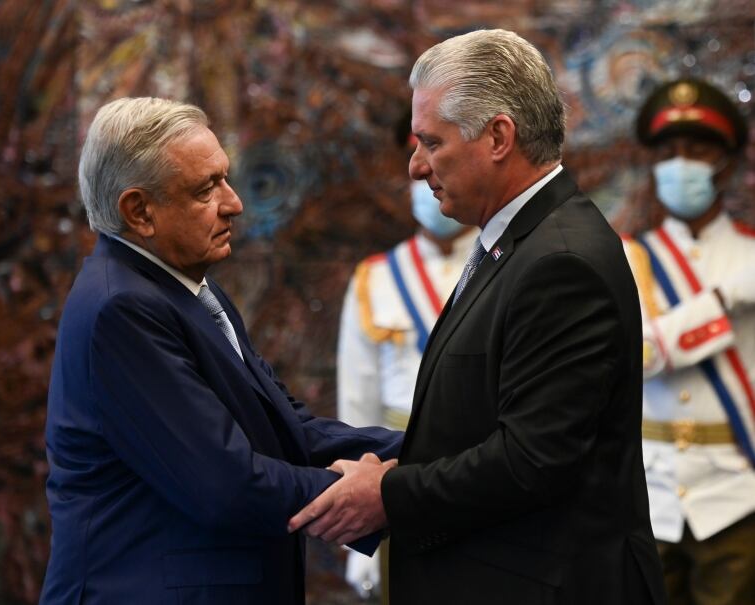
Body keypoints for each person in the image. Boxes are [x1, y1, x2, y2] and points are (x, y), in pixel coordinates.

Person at [289, 29, 667, 605]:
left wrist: (389, 493)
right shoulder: (521, 238)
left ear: (497, 136)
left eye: (431, 143)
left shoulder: (560, 260)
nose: (416, 167)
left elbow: (532, 459)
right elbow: (476, 423)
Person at [40, 97, 402, 605]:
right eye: (205, 188)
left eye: (225, 178)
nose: (233, 202)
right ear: (139, 211)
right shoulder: (120, 310)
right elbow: (225, 484)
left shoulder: (184, 290)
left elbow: (286, 429)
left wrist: (427, 450)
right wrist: (366, 495)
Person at [622, 77, 755, 605]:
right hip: (647, 498)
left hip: (738, 495)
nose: (682, 163)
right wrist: (719, 304)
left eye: (698, 149)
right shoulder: (623, 259)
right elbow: (636, 356)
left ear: (726, 161)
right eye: (668, 151)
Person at [337, 112, 477, 600]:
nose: (425, 173)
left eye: (436, 151)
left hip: (485, 476)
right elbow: (356, 407)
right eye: (413, 157)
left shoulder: (504, 262)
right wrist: (362, 538)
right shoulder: (376, 277)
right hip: (401, 479)